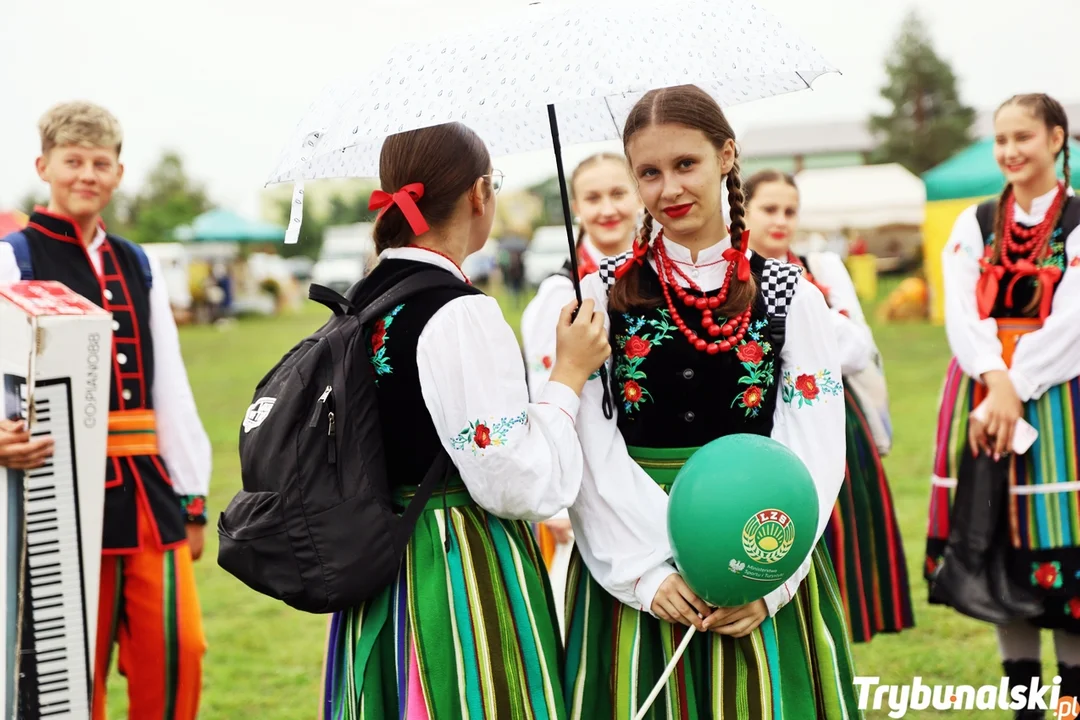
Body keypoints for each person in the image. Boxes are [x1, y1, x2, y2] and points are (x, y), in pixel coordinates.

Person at [562, 84, 860, 719]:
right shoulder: (600, 295)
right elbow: (588, 443)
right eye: (649, 172)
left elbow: (815, 445)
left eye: (685, 164)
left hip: (758, 551)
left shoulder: (788, 294)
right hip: (635, 567)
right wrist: (646, 571)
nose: (668, 188)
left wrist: (768, 577)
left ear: (726, 156)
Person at [320, 121, 611, 719]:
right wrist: (569, 378)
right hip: (453, 562)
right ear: (480, 194)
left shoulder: (366, 296)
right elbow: (510, 479)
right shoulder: (457, 312)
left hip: (380, 554)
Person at [0, 101, 211, 719]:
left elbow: (169, 381)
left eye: (100, 162)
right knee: (72, 668)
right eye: (73, 161)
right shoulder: (16, 258)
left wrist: (192, 495)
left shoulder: (137, 261)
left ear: (118, 173)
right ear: (44, 166)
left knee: (177, 652)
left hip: (148, 491)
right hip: (55, 489)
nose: (86, 174)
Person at [926, 93, 1080, 715]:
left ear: (1056, 138)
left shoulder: (1076, 220)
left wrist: (1021, 382)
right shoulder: (977, 221)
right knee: (996, 548)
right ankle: (1026, 708)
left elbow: (1074, 320)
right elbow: (962, 310)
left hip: (1062, 397)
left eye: (1024, 136)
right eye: (1001, 139)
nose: (1011, 150)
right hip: (984, 391)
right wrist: (996, 379)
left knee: (1066, 563)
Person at [744, 169, 915, 644]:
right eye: (769, 209)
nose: (780, 221)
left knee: (841, 536)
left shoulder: (820, 266)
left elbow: (859, 346)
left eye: (789, 211)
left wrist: (807, 333)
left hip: (835, 419)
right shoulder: (736, 274)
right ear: (745, 210)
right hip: (768, 422)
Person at [520, 152, 640, 632]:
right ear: (576, 207)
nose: (607, 208)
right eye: (593, 197)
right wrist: (559, 501)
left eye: (618, 193)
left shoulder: (664, 281)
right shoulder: (557, 296)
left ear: (638, 199)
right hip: (585, 483)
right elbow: (541, 396)